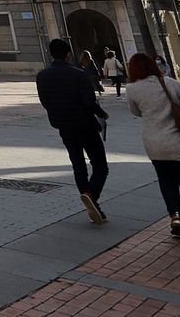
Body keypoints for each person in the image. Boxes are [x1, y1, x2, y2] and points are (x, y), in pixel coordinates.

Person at [127, 52, 180, 244]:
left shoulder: (131, 89)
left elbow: (135, 112)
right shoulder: (170, 83)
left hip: (156, 144)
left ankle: (175, 217)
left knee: (167, 184)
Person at [36, 37, 109, 224]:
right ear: (68, 55)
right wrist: (102, 114)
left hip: (63, 126)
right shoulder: (79, 75)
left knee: (78, 165)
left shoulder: (42, 76)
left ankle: (92, 203)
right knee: (100, 165)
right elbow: (89, 102)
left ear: (51, 54)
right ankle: (91, 196)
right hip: (84, 125)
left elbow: (45, 102)